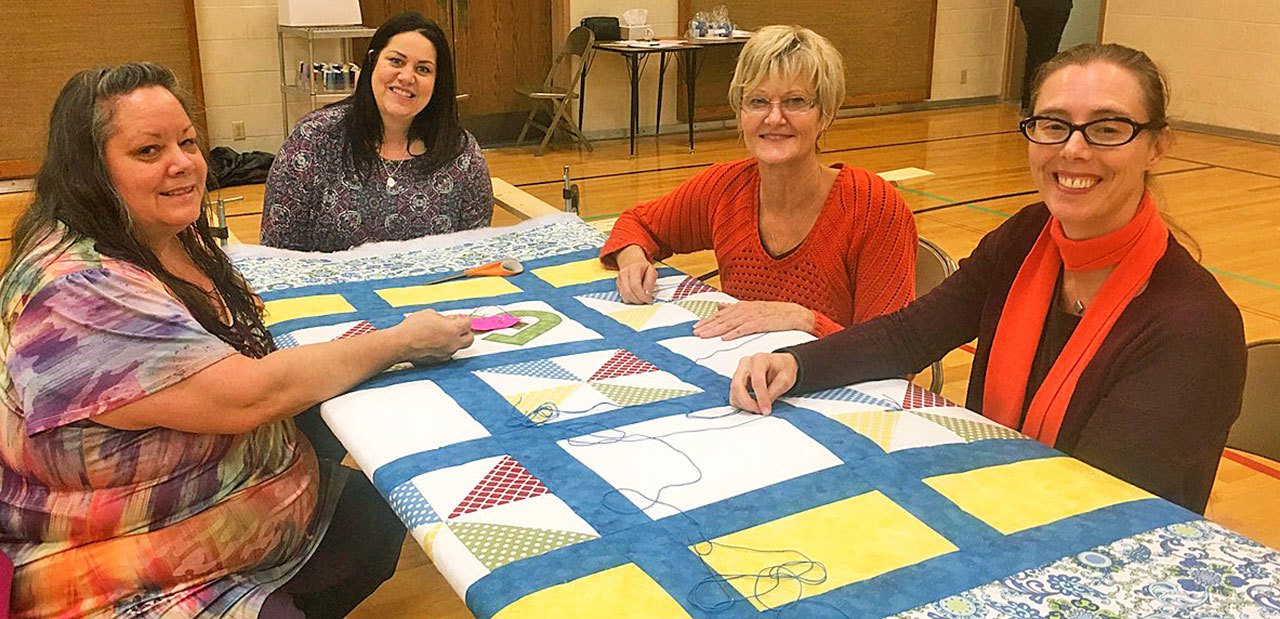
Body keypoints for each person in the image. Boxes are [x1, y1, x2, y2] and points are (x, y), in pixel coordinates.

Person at [0, 63, 475, 618]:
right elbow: (248, 393)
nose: (183, 163)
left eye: (188, 142)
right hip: (127, 561)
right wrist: (399, 341)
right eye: (148, 152)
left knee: (375, 484)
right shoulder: (78, 290)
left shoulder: (163, 233)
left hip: (230, 500)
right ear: (90, 172)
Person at [730, 44, 1246, 514]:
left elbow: (1105, 509)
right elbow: (909, 335)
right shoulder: (1026, 237)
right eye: (1053, 124)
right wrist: (795, 364)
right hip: (991, 508)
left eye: (1108, 129)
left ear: (1157, 147)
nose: (1073, 150)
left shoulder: (1194, 325)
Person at [600, 25, 917, 340]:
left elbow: (890, 350)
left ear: (827, 114)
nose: (775, 118)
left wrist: (802, 320)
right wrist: (633, 260)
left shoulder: (873, 207)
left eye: (795, 101)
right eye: (758, 101)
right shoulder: (726, 188)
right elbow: (637, 223)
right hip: (744, 375)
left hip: (838, 386)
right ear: (740, 113)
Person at [260, 11, 493, 252]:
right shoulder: (313, 140)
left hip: (434, 289)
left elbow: (473, 255)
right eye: (396, 61)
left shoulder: (461, 154)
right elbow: (277, 251)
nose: (406, 77)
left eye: (423, 69)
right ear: (372, 61)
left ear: (438, 82)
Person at [1016, 0, 1074, 110]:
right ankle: (1039, 101)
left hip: (1041, 5)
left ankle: (1031, 102)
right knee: (1045, 52)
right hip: (1051, 5)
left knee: (1036, 51)